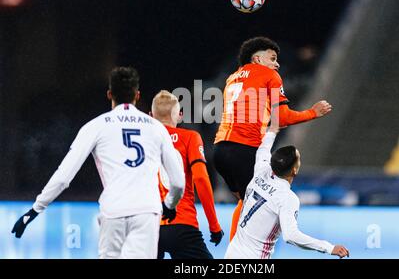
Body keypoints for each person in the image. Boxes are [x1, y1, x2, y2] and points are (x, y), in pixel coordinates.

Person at [11, 67, 185, 259]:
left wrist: (35, 210)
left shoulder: (96, 126)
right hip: (147, 211)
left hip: (114, 210)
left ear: (110, 94)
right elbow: (178, 182)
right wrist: (170, 204)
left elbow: (63, 177)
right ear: (137, 95)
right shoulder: (156, 128)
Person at [213, 37, 332, 240]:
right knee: (254, 206)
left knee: (245, 202)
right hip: (244, 149)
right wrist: (313, 113)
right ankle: (238, 257)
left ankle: (237, 252)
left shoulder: (232, 78)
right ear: (257, 59)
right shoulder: (270, 75)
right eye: (273, 58)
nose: (276, 64)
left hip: (220, 151)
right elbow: (283, 116)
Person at [224, 119, 349, 259]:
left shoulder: (261, 169)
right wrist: (329, 248)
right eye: (299, 159)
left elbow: (263, 149)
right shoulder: (287, 198)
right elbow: (291, 236)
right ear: (294, 170)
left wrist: (272, 130)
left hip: (232, 253)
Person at [151, 90, 224, 259]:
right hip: (182, 224)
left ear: (150, 116)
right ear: (179, 116)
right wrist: (214, 225)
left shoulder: (143, 140)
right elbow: (200, 178)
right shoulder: (190, 137)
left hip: (149, 224)